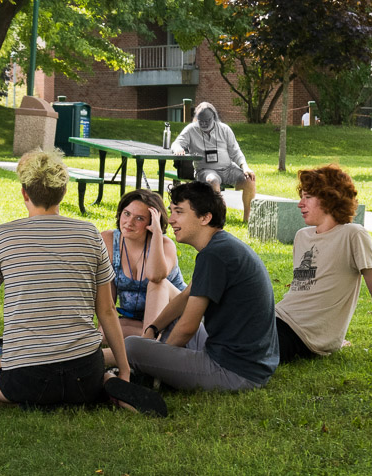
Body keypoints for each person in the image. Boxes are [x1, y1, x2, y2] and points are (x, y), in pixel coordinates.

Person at [0, 150, 167, 416]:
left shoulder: (2, 236)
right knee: (85, 376)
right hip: (85, 373)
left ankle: (28, 402)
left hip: (26, 377)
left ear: (24, 193)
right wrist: (122, 369)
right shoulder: (90, 234)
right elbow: (107, 310)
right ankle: (106, 383)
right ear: (64, 192)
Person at [125, 181, 279, 391]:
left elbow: (188, 328)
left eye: (179, 212)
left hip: (233, 371)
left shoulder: (214, 255)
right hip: (247, 363)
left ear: (205, 217)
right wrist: (153, 328)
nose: (170, 220)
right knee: (166, 323)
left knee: (131, 346)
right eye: (171, 211)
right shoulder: (221, 246)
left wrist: (158, 361)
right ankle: (151, 375)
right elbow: (185, 297)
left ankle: (148, 376)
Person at [275, 165, 372, 362]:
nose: (300, 204)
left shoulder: (353, 234)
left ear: (329, 199)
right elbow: (306, 290)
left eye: (308, 197)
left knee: (236, 346)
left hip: (301, 335)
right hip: (275, 317)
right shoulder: (302, 236)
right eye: (301, 196)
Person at [100, 190, 186, 364]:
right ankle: (158, 344)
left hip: (175, 316)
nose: (129, 222)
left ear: (152, 222)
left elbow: (155, 276)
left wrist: (155, 235)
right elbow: (107, 291)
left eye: (139, 218)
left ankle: (145, 349)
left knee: (157, 282)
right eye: (126, 214)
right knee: (103, 333)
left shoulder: (165, 245)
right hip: (137, 323)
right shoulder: (109, 240)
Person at [171, 102, 257, 222]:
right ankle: (220, 215)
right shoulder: (191, 129)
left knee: (249, 180)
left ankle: (247, 219)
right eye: (201, 120)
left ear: (214, 118)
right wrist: (178, 148)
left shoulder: (224, 129)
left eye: (207, 120)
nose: (204, 123)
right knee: (213, 180)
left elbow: (235, 152)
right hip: (205, 170)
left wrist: (245, 167)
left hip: (228, 169)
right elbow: (176, 144)